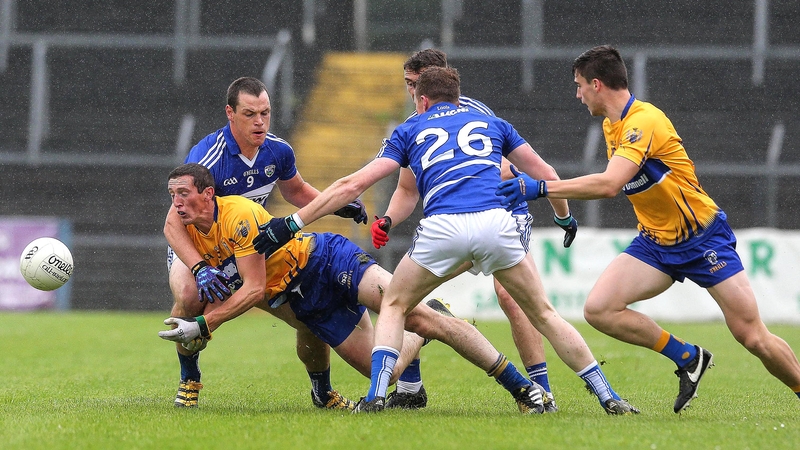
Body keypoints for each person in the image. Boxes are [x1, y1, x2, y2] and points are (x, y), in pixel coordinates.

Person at [253, 66, 638, 414]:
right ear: (457, 96)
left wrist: (293, 222)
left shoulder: (410, 128)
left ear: (422, 100)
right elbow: (546, 172)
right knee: (545, 314)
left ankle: (374, 397)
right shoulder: (493, 123)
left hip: (444, 228)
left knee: (395, 303)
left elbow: (353, 184)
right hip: (496, 224)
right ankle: (608, 396)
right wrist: (564, 216)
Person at [496, 44, 800, 413]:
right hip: (655, 242)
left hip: (703, 237)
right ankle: (687, 356)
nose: (577, 94)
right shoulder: (612, 125)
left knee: (752, 336)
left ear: (597, 84)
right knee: (600, 309)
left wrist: (540, 187)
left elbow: (610, 185)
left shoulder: (643, 121)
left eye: (579, 85)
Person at [159, 163, 550, 415]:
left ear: (208, 194)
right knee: (388, 371)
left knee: (419, 316)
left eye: (183, 194)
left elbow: (254, 288)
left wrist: (204, 326)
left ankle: (519, 386)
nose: (176, 203)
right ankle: (409, 341)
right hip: (305, 301)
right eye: (172, 195)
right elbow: (170, 229)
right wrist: (196, 282)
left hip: (326, 261)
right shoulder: (184, 223)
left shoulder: (238, 217)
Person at [370, 48, 573, 411]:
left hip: (502, 213)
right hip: (452, 222)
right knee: (405, 300)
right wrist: (387, 218)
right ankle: (411, 387)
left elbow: (508, 169)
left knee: (511, 297)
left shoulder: (474, 113)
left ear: (438, 81)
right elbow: (406, 188)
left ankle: (542, 392)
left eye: (416, 84)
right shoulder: (415, 120)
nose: (412, 93)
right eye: (408, 85)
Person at [163, 76, 370, 409]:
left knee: (307, 318)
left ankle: (322, 391)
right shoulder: (209, 157)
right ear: (230, 113)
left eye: (265, 113)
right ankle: (189, 379)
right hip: (199, 246)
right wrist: (199, 268)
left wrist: (335, 203)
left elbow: (296, 191)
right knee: (190, 296)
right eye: (249, 114)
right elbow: (172, 224)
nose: (259, 121)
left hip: (245, 250)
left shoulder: (278, 151)